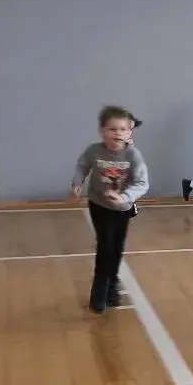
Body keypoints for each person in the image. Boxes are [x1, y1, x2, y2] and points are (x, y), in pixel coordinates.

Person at [71, 105, 149, 313]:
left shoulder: (133, 155)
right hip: (99, 205)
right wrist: (77, 184)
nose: (118, 133)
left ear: (129, 132)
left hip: (122, 208)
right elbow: (82, 165)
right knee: (105, 245)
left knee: (116, 247)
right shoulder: (94, 151)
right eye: (112, 129)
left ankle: (112, 286)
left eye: (122, 129)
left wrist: (124, 197)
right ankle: (99, 293)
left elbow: (142, 183)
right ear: (102, 131)